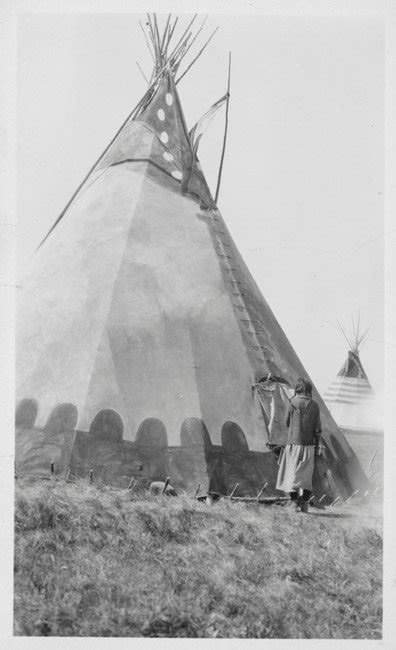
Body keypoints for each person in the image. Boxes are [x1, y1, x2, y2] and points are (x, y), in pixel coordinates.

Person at [276, 377, 322, 513]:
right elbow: (317, 429)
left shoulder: (292, 403)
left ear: (298, 389)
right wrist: (317, 444)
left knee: (290, 475)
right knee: (306, 478)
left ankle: (294, 502)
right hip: (308, 446)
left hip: (293, 445)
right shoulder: (314, 406)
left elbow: (286, 422)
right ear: (308, 390)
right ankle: (304, 503)